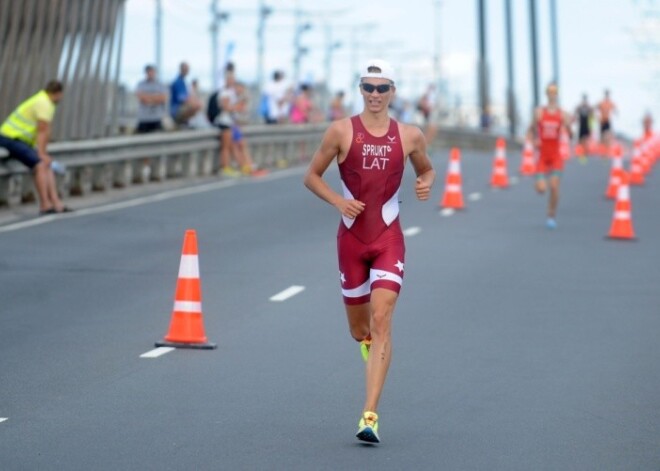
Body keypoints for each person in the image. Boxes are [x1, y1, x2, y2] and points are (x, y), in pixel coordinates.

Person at [303, 59, 435, 444]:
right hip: (351, 241)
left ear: (393, 91)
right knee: (360, 329)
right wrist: (338, 203)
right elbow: (311, 176)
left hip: (388, 238)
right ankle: (370, 346)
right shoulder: (341, 131)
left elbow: (426, 170)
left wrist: (425, 184)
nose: (375, 95)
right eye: (368, 87)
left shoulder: (409, 135)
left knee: (382, 320)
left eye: (382, 88)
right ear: (360, 90)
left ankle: (370, 415)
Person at [0, 80, 72, 215]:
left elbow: (45, 131)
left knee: (46, 164)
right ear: (58, 93)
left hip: (19, 140)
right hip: (10, 138)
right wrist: (41, 153)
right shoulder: (44, 103)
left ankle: (56, 203)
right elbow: (42, 130)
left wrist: (43, 154)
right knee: (39, 164)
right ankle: (45, 204)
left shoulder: (44, 101)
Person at [527, 82, 573, 230]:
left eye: (554, 92)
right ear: (546, 94)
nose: (552, 94)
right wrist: (533, 140)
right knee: (541, 189)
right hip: (542, 155)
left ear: (557, 94)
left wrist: (569, 126)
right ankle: (539, 184)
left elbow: (571, 135)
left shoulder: (563, 114)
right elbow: (531, 129)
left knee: (554, 185)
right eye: (549, 92)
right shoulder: (539, 112)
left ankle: (551, 214)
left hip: (555, 156)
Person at [135, 65, 168, 133]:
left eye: (152, 72)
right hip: (144, 118)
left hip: (157, 118)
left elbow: (163, 98)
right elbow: (141, 97)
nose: (151, 73)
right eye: (149, 72)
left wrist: (148, 97)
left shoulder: (160, 84)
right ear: (146, 73)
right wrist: (156, 97)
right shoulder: (141, 84)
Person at [170, 62, 202, 128]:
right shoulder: (177, 82)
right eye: (185, 69)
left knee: (198, 104)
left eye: (187, 69)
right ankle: (179, 122)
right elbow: (182, 98)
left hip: (182, 106)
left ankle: (186, 122)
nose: (187, 71)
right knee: (196, 105)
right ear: (181, 69)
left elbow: (188, 96)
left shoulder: (184, 82)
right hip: (176, 109)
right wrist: (194, 102)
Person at [574, 94, 593, 159]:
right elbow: (576, 111)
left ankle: (585, 152)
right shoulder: (580, 106)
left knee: (585, 139)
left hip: (586, 125)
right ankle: (581, 152)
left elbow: (592, 115)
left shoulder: (588, 107)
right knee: (580, 140)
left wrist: (591, 126)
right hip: (581, 125)